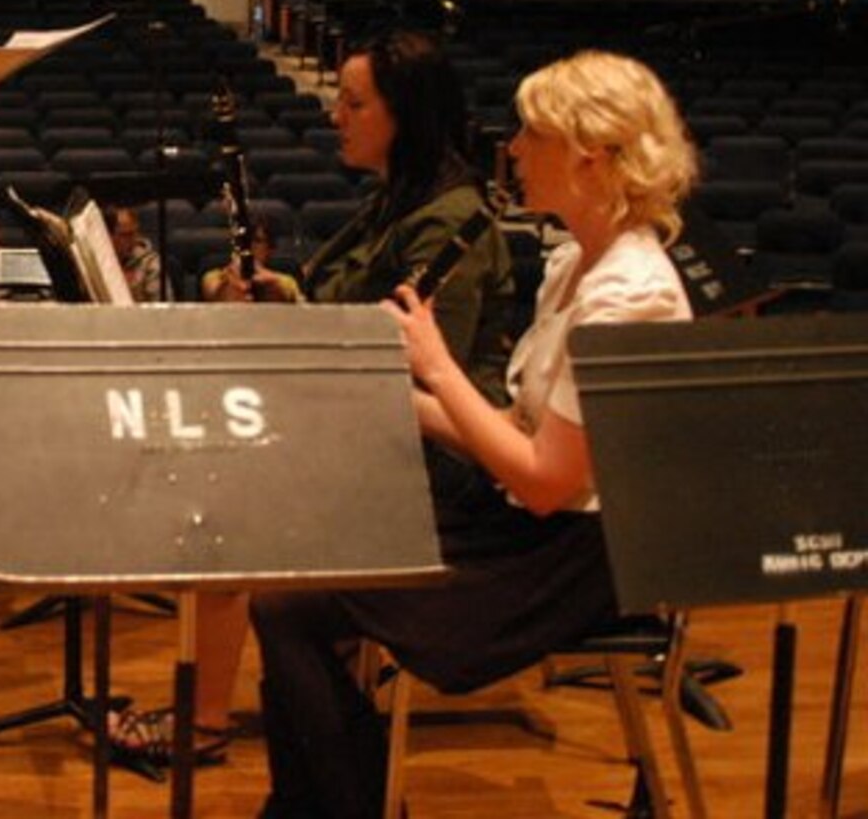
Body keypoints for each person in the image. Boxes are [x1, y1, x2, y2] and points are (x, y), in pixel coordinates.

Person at [250, 49, 698, 818]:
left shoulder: (633, 297)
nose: (513, 149)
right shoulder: (573, 265)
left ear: (588, 153)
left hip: (575, 558)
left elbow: (544, 479)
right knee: (288, 592)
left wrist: (434, 366)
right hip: (530, 526)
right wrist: (381, 391)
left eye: (531, 134)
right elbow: (514, 430)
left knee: (293, 605)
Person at [109, 30, 513, 768]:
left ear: (406, 114)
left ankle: (204, 722)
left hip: (442, 453)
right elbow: (354, 313)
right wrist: (280, 295)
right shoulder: (402, 193)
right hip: (376, 420)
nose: (337, 116)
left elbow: (417, 369)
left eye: (355, 103)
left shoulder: (449, 217)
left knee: (223, 500)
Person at [197, 211, 303, 303]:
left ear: (270, 249)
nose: (248, 247)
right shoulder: (214, 277)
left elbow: (298, 307)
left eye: (257, 241)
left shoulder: (285, 281)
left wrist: (271, 282)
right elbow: (214, 296)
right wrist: (231, 282)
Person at [103, 204, 165, 302]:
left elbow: (160, 311)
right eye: (125, 235)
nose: (133, 240)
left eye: (135, 233)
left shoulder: (150, 263)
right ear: (107, 236)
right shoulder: (97, 262)